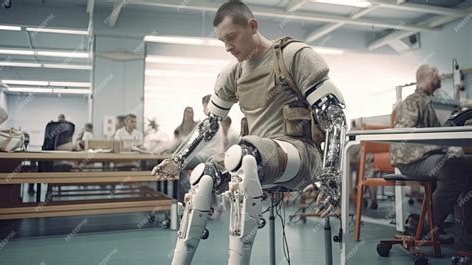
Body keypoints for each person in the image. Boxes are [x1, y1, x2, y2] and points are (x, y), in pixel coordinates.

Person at [152, 1, 346, 264]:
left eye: (231, 37)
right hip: (255, 157)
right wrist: (178, 159)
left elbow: (335, 117)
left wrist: (332, 175)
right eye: (223, 41)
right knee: (204, 176)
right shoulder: (233, 72)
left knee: (243, 157)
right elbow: (210, 123)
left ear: (253, 26)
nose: (228, 47)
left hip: (300, 156)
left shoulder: (293, 56)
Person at [390, 64, 471, 245]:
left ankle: (468, 233)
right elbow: (403, 135)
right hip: (410, 159)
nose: (441, 77)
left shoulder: (431, 101)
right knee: (454, 169)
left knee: (467, 165)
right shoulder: (414, 100)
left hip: (426, 156)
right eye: (438, 74)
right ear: (431, 75)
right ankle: (425, 224)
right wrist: (437, 147)